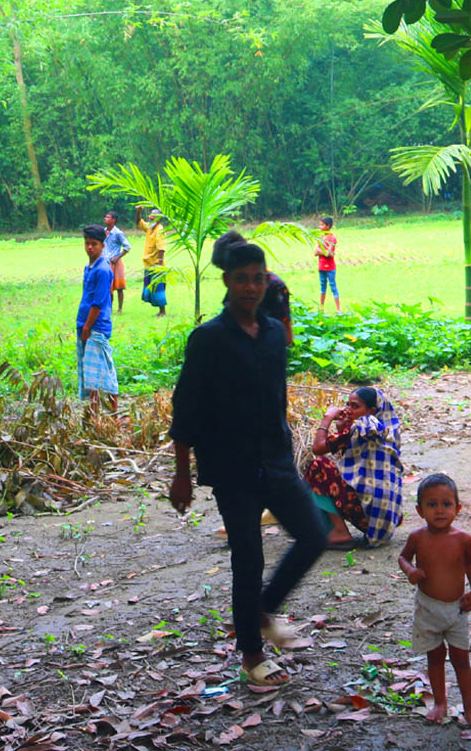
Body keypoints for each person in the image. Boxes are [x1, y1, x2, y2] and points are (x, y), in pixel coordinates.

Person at [170, 238, 326, 693]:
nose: (251, 287)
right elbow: (187, 408)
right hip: (231, 467)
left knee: (314, 533)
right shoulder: (209, 339)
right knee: (248, 558)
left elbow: (276, 399)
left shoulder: (275, 333)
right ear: (227, 282)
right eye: (242, 279)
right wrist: (183, 473)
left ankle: (262, 610)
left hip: (275, 460)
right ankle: (253, 654)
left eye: (258, 278)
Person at [398, 473, 471, 729]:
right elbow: (403, 558)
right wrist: (410, 571)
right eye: (432, 504)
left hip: (456, 609)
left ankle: (470, 708)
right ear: (420, 510)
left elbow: (470, 564)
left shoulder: (463, 539)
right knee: (435, 657)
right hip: (427, 608)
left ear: (457, 508)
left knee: (461, 660)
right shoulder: (417, 537)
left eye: (446, 504)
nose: (439, 510)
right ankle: (440, 702)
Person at [306, 386, 403, 549]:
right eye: (348, 405)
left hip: (367, 515)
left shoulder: (363, 426)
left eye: (355, 406)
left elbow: (318, 449)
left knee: (319, 466)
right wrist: (342, 428)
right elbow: (353, 461)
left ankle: (339, 531)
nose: (348, 410)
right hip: (384, 520)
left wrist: (327, 418)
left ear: (371, 410)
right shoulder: (386, 429)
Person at [213, 231, 292, 345]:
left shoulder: (275, 287)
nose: (250, 288)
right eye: (240, 278)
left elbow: (286, 337)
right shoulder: (209, 334)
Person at [77, 223, 119, 414]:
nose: (89, 247)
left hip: (95, 327)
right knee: (92, 377)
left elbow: (98, 302)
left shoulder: (102, 270)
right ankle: (94, 416)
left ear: (102, 245)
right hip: (86, 325)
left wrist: (87, 327)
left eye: (93, 243)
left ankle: (113, 415)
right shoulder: (90, 267)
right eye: (86, 243)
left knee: (105, 375)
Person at [135, 205, 167, 316]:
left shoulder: (160, 230)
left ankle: (163, 312)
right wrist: (138, 211)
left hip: (156, 265)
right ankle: (160, 311)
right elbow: (138, 222)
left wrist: (159, 265)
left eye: (152, 216)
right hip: (149, 264)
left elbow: (161, 249)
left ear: (158, 219)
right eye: (150, 216)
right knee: (153, 289)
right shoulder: (150, 228)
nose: (149, 218)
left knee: (158, 289)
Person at [102, 211, 131, 313]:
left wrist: (117, 257)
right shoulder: (104, 231)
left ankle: (120, 308)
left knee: (119, 287)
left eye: (108, 217)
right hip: (105, 262)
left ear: (113, 220)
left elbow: (127, 246)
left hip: (115, 262)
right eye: (105, 217)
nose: (105, 219)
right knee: (107, 287)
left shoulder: (118, 233)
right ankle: (109, 308)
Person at [315, 214, 340, 312]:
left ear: (328, 226)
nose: (319, 227)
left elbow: (329, 253)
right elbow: (315, 252)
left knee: (333, 286)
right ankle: (321, 308)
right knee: (322, 287)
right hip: (321, 266)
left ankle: (338, 309)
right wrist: (325, 252)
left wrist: (322, 251)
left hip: (330, 267)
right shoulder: (320, 237)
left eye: (322, 225)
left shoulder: (332, 238)